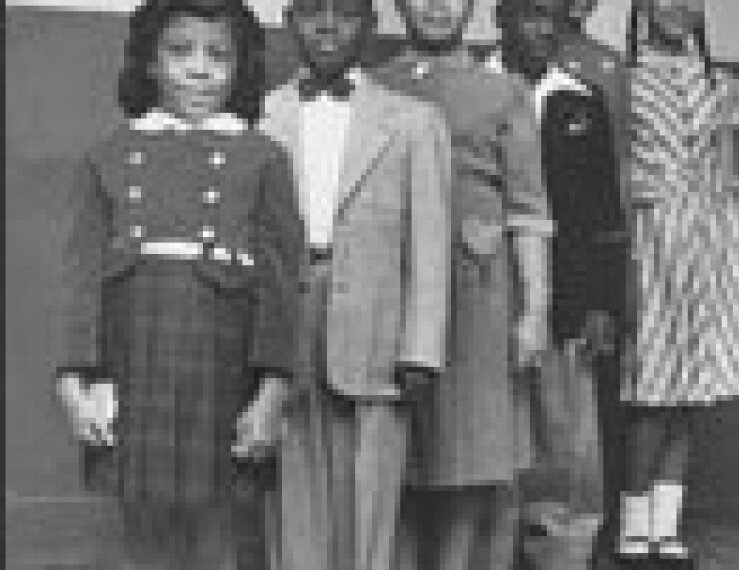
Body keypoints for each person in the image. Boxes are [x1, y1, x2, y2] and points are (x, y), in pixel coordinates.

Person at [53, 0, 303, 568]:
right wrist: (75, 382)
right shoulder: (108, 155)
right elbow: (80, 279)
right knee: (141, 529)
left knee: (216, 533)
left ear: (241, 68)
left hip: (223, 362)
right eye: (180, 50)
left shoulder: (263, 159)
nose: (200, 68)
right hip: (133, 358)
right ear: (148, 61)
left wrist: (271, 393)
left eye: (218, 54)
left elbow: (282, 288)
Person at [259, 1, 451, 569]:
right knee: (288, 473)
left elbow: (431, 243)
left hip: (376, 323)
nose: (327, 27)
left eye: (344, 13)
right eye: (312, 12)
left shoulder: (414, 121)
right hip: (285, 312)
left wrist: (421, 347)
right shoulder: (263, 115)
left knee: (371, 484)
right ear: (291, 21)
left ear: (369, 25)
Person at [372, 1, 553, 569]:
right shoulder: (374, 86)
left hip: (475, 292)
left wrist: (534, 312)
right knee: (394, 452)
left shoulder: (504, 92)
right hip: (390, 284)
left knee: (468, 455)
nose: (436, 6)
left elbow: (528, 211)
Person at [618, 0, 739, 562]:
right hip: (650, 240)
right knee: (651, 391)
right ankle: (631, 524)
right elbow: (615, 171)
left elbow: (730, 178)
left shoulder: (720, 82)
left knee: (691, 393)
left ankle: (666, 526)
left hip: (710, 243)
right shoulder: (623, 78)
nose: (677, 7)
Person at [491, 0, 630, 548]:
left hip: (569, 299)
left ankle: (561, 551)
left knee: (565, 442)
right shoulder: (480, 90)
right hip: (490, 295)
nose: (543, 28)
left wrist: (603, 303)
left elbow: (603, 212)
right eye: (528, 14)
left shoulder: (581, 100)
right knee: (495, 435)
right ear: (500, 18)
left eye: (551, 14)